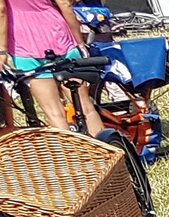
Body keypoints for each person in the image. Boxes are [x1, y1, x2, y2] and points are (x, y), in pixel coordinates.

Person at [2, 0, 107, 137]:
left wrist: (2, 50)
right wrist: (79, 41)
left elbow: (1, 11)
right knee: (86, 107)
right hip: (59, 35)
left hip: (24, 44)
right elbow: (65, 4)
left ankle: (73, 156)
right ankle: (106, 152)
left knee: (55, 114)